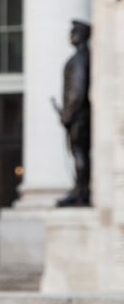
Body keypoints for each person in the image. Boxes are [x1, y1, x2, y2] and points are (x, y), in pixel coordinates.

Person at [56, 19, 91, 207]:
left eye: (73, 32)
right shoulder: (85, 57)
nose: (70, 36)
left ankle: (82, 191)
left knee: (79, 152)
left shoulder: (79, 59)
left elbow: (77, 91)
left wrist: (67, 115)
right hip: (81, 114)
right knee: (79, 152)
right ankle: (81, 189)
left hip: (78, 116)